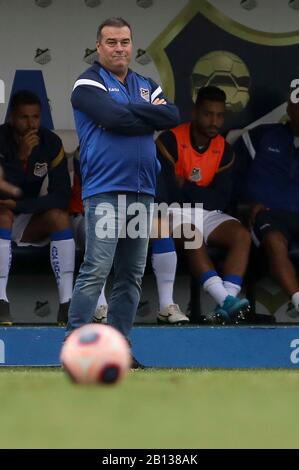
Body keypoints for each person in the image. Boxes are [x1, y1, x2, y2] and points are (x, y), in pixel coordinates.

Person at [67, 17, 179, 364]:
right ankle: (75, 346)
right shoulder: (87, 83)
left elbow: (172, 115)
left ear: (132, 45)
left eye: (125, 42)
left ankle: (118, 351)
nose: (119, 48)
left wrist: (128, 111)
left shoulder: (145, 83)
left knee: (130, 274)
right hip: (105, 190)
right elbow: (113, 120)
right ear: (98, 46)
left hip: (143, 191)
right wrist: (148, 116)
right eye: (112, 42)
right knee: (97, 268)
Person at [154, 86, 251, 324]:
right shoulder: (170, 139)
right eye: (208, 114)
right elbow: (166, 193)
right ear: (195, 112)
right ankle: (226, 301)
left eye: (219, 115)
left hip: (208, 213)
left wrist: (185, 185)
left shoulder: (224, 149)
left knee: (241, 236)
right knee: (192, 233)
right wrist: (195, 192)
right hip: (173, 214)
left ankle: (226, 304)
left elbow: (220, 199)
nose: (214, 121)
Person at [0, 90, 75, 326]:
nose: (30, 123)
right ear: (12, 116)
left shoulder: (50, 142)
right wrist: (21, 157)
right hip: (2, 215)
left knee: (60, 217)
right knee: (3, 214)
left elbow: (62, 195)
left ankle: (67, 304)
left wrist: (23, 205)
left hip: (24, 215)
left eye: (35, 117)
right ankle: (1, 300)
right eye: (24, 117)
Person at [234, 94, 299, 318]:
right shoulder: (262, 136)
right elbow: (232, 180)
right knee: (274, 241)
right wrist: (246, 204)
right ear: (290, 108)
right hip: (268, 216)